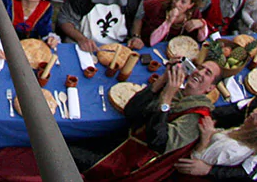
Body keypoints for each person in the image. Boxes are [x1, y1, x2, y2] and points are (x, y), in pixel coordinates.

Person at [71, 61, 221, 175]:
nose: (199, 73)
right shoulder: (178, 93)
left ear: (210, 88)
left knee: (63, 150)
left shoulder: (196, 116)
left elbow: (158, 141)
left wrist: (166, 98)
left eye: (207, 73)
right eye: (200, 67)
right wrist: (162, 80)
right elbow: (132, 111)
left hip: (126, 163)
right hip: (118, 141)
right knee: (72, 139)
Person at [175, 95, 257, 179]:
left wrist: (205, 138)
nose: (253, 113)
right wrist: (212, 131)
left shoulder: (232, 148)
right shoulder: (245, 131)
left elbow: (192, 163)